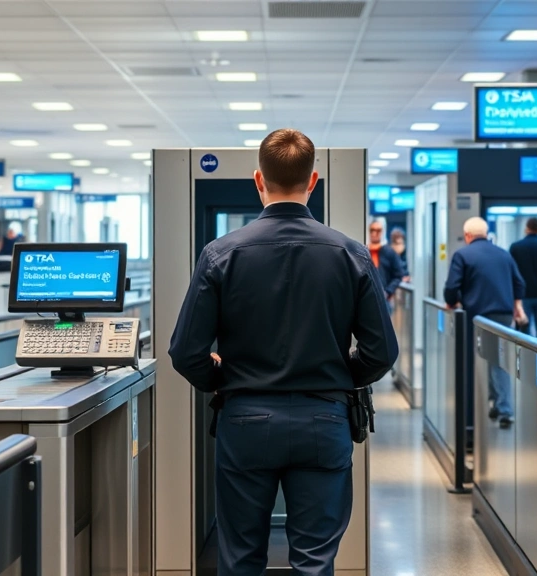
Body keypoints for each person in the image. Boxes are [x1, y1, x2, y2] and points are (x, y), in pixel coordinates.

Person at [168, 128, 398, 576]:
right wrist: (338, 373)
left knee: (240, 559)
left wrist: (221, 377)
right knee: (314, 561)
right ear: (313, 182)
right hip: (324, 421)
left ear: (259, 180)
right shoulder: (350, 254)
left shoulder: (220, 254)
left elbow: (185, 352)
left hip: (245, 421)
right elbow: (381, 351)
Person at [444, 217, 527, 429]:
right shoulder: (503, 254)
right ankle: (497, 404)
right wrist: (516, 305)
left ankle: (497, 408)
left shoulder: (462, 255)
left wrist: (452, 302)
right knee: (497, 359)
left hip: (477, 316)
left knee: (479, 360)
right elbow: (519, 283)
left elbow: (452, 286)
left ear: (467, 236)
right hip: (502, 316)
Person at [368, 220, 406, 303]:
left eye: (378, 231)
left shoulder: (389, 252)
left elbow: (398, 275)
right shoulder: (364, 251)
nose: (374, 233)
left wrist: (388, 291)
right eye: (372, 230)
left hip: (384, 297)